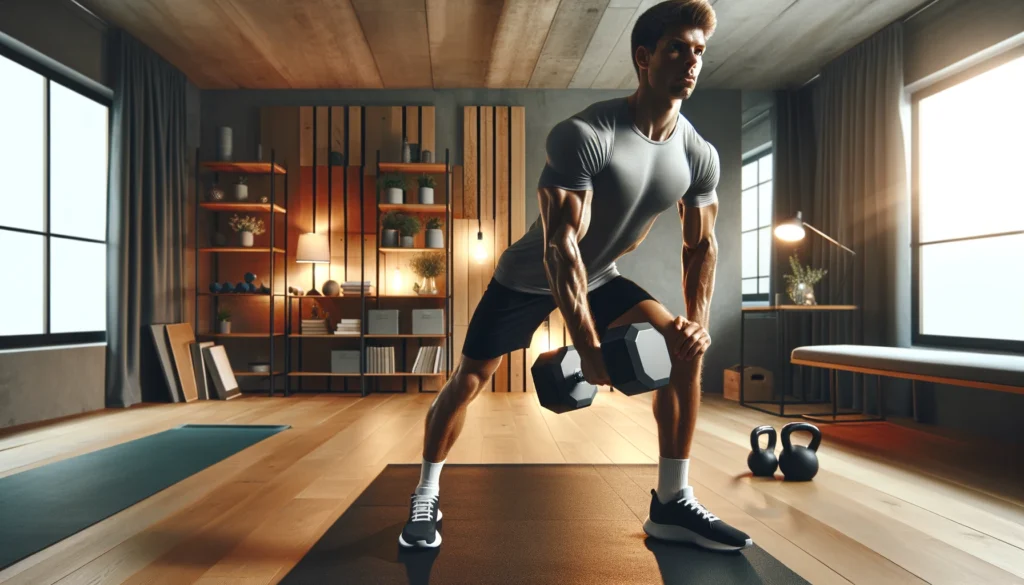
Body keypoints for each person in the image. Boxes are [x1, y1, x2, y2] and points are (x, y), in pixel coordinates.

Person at [399, 0, 751, 552]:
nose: (691, 62)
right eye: (677, 48)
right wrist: (587, 348)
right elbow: (560, 248)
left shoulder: (697, 154)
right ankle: (425, 492)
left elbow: (701, 244)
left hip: (602, 274)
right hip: (526, 276)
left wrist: (696, 328)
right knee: (469, 380)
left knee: (686, 353)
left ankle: (672, 502)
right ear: (644, 57)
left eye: (699, 52)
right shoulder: (586, 134)